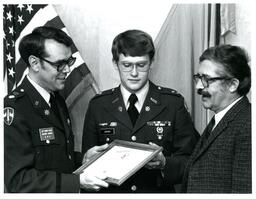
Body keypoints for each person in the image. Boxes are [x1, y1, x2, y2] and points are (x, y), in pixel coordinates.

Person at [81, 29, 199, 193]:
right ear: (115, 63)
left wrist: (165, 163)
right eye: (127, 65)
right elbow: (87, 162)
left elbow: (192, 161)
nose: (134, 73)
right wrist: (87, 161)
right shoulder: (99, 105)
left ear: (151, 62)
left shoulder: (172, 103)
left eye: (141, 65)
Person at [4, 26, 108, 193]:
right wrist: (76, 182)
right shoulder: (14, 109)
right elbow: (18, 181)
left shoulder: (56, 100)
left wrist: (82, 160)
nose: (67, 70)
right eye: (60, 64)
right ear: (34, 63)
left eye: (69, 61)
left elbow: (56, 159)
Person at [182, 45, 251, 193]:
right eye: (199, 78)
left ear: (233, 84)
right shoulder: (219, 120)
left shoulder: (249, 125)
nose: (199, 87)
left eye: (206, 79)